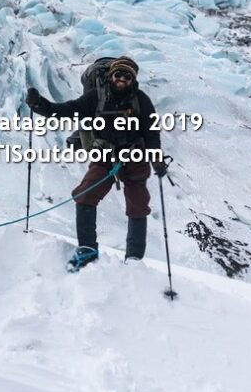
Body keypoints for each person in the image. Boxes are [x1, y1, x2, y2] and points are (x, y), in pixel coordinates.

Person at [25, 57, 167, 270]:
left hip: (134, 158)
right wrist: (39, 105)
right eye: (118, 74)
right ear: (111, 76)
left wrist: (156, 160)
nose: (122, 79)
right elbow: (65, 110)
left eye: (127, 76)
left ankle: (134, 260)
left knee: (138, 206)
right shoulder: (95, 97)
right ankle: (88, 249)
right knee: (85, 195)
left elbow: (151, 133)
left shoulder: (141, 100)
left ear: (133, 79)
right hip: (105, 156)